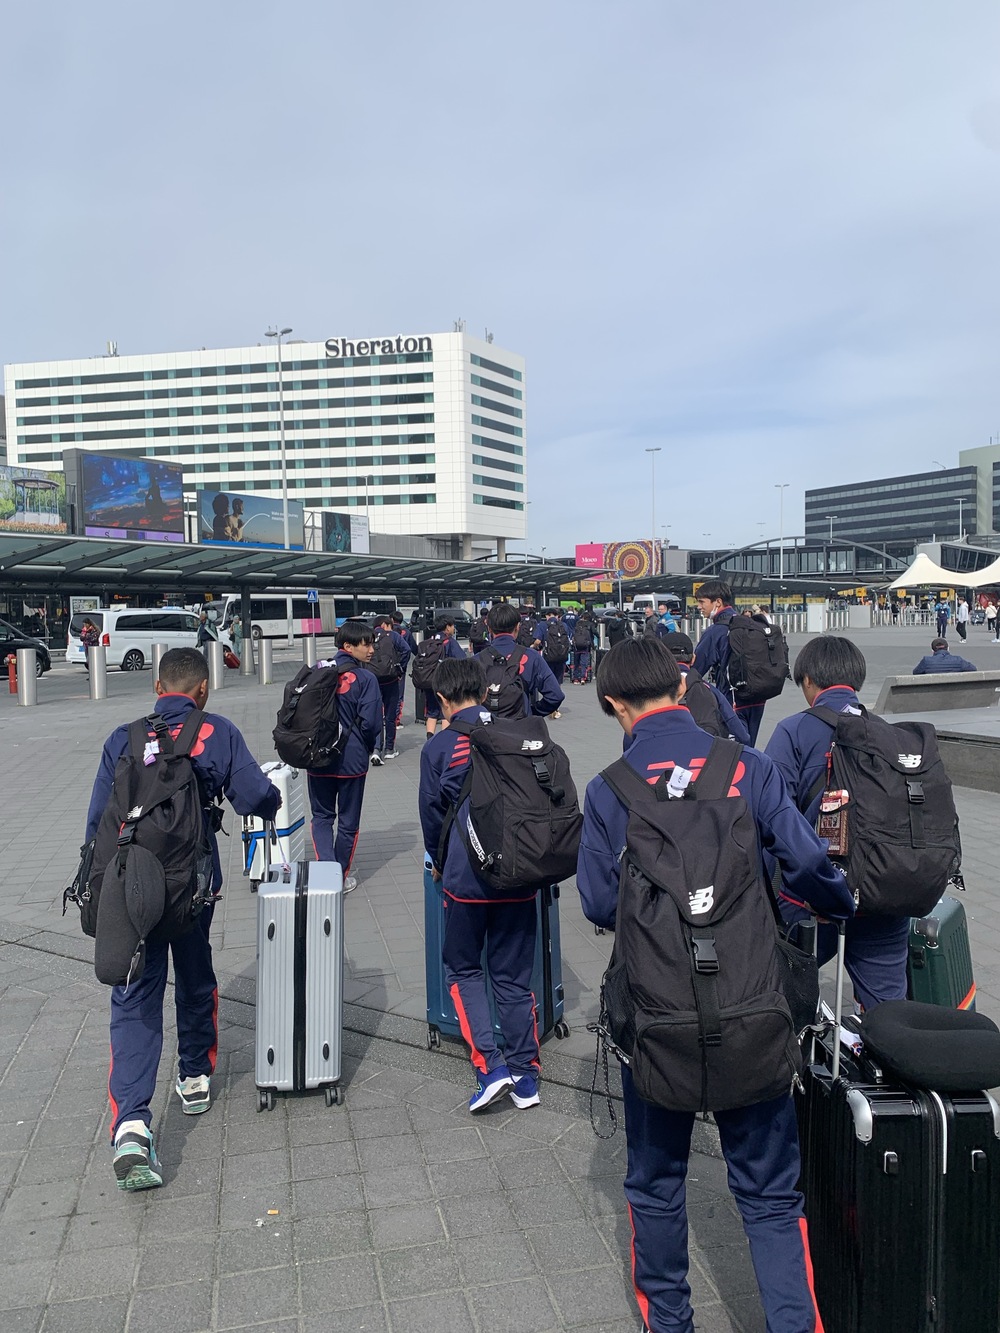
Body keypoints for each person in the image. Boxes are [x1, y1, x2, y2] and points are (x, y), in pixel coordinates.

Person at [577, 638, 854, 1333]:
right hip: (753, 1005)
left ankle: (670, 1322)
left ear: (612, 703)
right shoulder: (748, 767)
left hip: (656, 1014)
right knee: (770, 1196)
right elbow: (807, 862)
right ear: (680, 687)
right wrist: (836, 904)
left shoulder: (610, 788)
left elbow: (596, 901)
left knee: (655, 1185)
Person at [84, 648, 281, 1191]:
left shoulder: (123, 738)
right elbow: (254, 796)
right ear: (203, 690)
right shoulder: (216, 732)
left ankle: (130, 1125)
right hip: (192, 887)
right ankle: (194, 1074)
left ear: (156, 687)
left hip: (131, 889)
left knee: (134, 996)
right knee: (195, 973)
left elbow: (97, 822)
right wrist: (272, 803)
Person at [419, 658, 543, 1112]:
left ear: (443, 700)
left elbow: (432, 817)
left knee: (464, 969)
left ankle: (491, 1069)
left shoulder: (439, 747)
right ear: (483, 689)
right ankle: (527, 1076)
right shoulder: (516, 733)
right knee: (512, 977)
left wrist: (439, 862)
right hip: (520, 873)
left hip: (466, 879)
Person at [765, 635, 911, 1011]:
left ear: (808, 680)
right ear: (856, 679)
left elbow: (770, 818)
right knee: (887, 1009)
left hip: (815, 898)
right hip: (885, 893)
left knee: (782, 994)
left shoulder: (793, 731)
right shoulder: (890, 734)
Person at [306, 620, 382, 892]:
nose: (371, 650)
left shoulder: (317, 670)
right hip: (352, 761)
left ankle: (325, 872)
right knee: (348, 823)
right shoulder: (366, 679)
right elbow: (371, 724)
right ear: (348, 646)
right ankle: (338, 877)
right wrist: (368, 748)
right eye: (366, 644)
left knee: (322, 817)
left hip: (317, 758)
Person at [693, 579, 766, 745]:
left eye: (702, 602)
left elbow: (695, 670)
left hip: (731, 702)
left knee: (732, 752)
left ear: (718, 602)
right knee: (749, 748)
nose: (698, 607)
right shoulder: (749, 624)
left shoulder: (716, 631)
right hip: (757, 699)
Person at [661, 631, 751, 745]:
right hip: (703, 752)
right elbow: (743, 736)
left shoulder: (649, 690)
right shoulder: (710, 690)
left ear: (659, 660)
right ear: (693, 659)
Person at [480, 602, 564, 717]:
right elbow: (556, 695)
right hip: (522, 723)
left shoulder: (476, 660)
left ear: (489, 629)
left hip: (488, 725)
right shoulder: (532, 657)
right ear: (517, 627)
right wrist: (533, 712)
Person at [369, 613, 412, 764]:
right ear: (385, 625)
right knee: (390, 716)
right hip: (391, 681)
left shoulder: (368, 636)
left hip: (373, 681)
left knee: (375, 715)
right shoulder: (393, 636)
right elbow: (406, 650)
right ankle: (389, 749)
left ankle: (375, 749)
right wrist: (400, 668)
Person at [421, 614, 468, 740]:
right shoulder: (450, 642)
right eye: (452, 626)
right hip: (446, 682)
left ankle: (430, 739)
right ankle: (444, 739)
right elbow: (462, 659)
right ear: (447, 627)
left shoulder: (429, 640)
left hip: (429, 680)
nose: (454, 629)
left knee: (432, 712)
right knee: (445, 711)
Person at [391, 610, 418, 726]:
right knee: (399, 694)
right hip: (401, 668)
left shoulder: (387, 632)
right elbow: (413, 649)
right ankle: (396, 719)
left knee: (386, 693)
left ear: (391, 620)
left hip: (385, 667)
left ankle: (385, 716)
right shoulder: (406, 632)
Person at [912, 637, 977, 674]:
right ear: (948, 648)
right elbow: (973, 669)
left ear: (932, 651)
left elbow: (915, 673)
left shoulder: (926, 661)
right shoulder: (958, 660)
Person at [570, 612, 596, 684]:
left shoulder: (576, 627)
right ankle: (582, 678)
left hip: (577, 647)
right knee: (584, 663)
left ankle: (575, 678)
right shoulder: (588, 628)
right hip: (585, 647)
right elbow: (591, 637)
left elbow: (573, 637)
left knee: (576, 663)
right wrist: (592, 646)